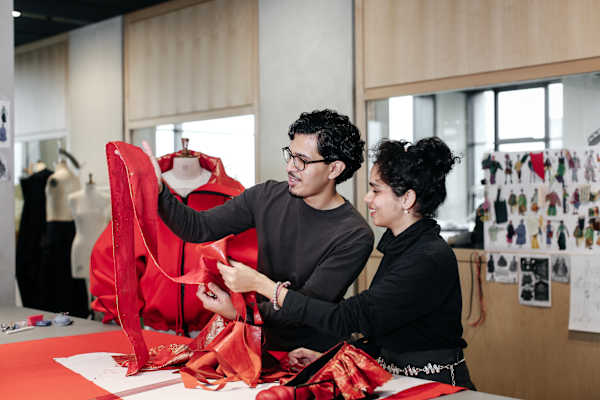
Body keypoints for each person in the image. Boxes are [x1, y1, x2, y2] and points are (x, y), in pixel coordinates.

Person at [197, 137, 475, 389]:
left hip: (433, 383)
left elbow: (349, 318)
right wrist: (329, 358)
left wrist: (264, 286)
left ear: (408, 199)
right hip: (400, 379)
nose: (367, 199)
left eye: (376, 191)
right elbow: (383, 327)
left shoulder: (426, 257)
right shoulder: (402, 246)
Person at [143, 109, 374, 351]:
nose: (290, 167)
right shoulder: (266, 196)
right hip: (259, 344)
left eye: (302, 160)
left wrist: (238, 311)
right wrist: (159, 190)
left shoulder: (354, 235)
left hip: (313, 354)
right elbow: (198, 228)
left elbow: (305, 308)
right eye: (290, 155)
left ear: (334, 169)